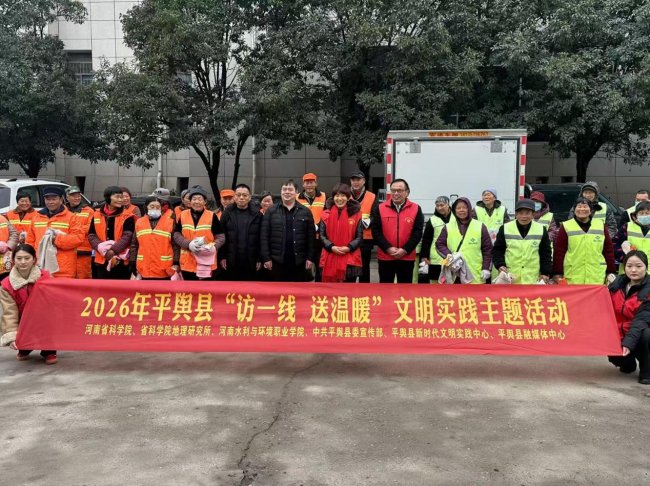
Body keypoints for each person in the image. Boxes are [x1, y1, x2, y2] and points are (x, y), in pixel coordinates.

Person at [0, 243, 56, 364]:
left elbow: (54, 302)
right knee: (21, 341)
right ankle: (25, 347)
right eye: (19, 258)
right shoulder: (6, 285)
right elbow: (9, 312)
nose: (23, 262)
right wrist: (12, 336)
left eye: (27, 258)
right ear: (13, 260)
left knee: (49, 322)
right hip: (23, 320)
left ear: (34, 259)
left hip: (44, 319)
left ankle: (49, 350)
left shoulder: (46, 277)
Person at [607, 250, 650, 384]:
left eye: (638, 266)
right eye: (629, 266)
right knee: (622, 363)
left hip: (639, 331)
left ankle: (647, 372)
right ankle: (628, 363)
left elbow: (641, 321)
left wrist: (628, 343)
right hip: (620, 332)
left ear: (646, 267)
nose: (633, 270)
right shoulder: (616, 286)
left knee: (647, 335)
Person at [261, 179, 316, 282]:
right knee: (277, 290)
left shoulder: (306, 212)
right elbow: (264, 236)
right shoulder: (271, 211)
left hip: (299, 262)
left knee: (298, 290)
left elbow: (311, 238)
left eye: (290, 189)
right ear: (281, 192)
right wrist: (266, 258)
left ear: (296, 192)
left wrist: (310, 258)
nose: (287, 192)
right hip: (276, 262)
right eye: (284, 189)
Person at [553, 197, 616, 284]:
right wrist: (558, 273)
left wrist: (610, 271)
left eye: (585, 206)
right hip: (573, 276)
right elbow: (559, 251)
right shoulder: (566, 226)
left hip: (596, 275)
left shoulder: (600, 225)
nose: (582, 209)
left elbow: (608, 250)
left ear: (591, 210)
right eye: (579, 206)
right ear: (574, 210)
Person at [371, 178, 424, 283]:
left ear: (407, 192)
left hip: (406, 257)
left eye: (399, 190)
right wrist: (388, 248)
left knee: (405, 288)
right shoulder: (380, 208)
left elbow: (417, 233)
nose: (395, 193)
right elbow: (376, 232)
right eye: (393, 190)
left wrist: (405, 250)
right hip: (386, 257)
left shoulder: (416, 208)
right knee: (385, 288)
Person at [26, 186, 85, 279]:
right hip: (40, 267)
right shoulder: (37, 217)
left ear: (61, 200)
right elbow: (30, 241)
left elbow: (78, 238)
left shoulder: (72, 217)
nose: (50, 202)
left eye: (54, 199)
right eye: (48, 199)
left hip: (63, 269)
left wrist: (56, 239)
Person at [492, 199, 553, 284]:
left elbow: (545, 253)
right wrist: (500, 264)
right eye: (520, 213)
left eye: (527, 213)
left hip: (532, 278)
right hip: (510, 277)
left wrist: (545, 272)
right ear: (516, 214)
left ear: (533, 214)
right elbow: (498, 250)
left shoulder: (541, 229)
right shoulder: (505, 228)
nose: (524, 216)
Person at [173, 185, 225, 280]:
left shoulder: (212, 216)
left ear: (205, 202)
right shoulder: (183, 215)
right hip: (187, 263)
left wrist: (213, 247)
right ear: (190, 201)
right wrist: (188, 244)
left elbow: (221, 237)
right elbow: (176, 234)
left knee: (206, 289)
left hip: (206, 262)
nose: (197, 202)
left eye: (200, 199)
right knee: (189, 288)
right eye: (194, 199)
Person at [436, 197, 492, 284]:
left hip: (474, 273)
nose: (461, 210)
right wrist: (449, 256)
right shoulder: (448, 227)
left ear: (469, 209)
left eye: (464, 208)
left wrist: (486, 268)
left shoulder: (480, 226)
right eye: (458, 208)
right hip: (454, 272)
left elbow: (487, 249)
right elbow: (439, 244)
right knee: (454, 293)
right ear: (454, 210)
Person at [88, 186, 136, 280]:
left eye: (121, 197)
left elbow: (127, 236)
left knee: (120, 287)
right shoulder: (97, 214)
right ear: (107, 198)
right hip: (101, 259)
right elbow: (91, 235)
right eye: (117, 197)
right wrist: (103, 250)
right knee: (102, 287)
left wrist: (113, 251)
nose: (120, 200)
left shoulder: (128, 216)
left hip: (120, 261)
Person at [319, 183, 363, 282]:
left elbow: (359, 237)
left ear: (348, 198)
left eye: (343, 195)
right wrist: (331, 247)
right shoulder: (325, 214)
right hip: (329, 255)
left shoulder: (356, 215)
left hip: (350, 257)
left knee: (348, 288)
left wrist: (348, 248)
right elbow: (322, 236)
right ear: (333, 197)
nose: (339, 198)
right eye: (337, 195)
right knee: (330, 289)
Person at [219, 184, 263, 281]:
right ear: (234, 197)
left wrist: (260, 258)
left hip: (251, 260)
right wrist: (222, 257)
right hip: (231, 259)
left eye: (245, 195)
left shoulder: (257, 214)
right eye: (238, 195)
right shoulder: (227, 213)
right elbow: (221, 236)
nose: (241, 198)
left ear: (249, 197)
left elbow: (262, 238)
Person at [131, 196, 179, 280]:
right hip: (144, 267)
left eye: (158, 207)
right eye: (152, 206)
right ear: (146, 207)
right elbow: (134, 244)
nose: (155, 209)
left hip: (164, 268)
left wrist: (176, 262)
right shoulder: (139, 222)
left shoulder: (170, 222)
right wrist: (132, 261)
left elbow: (175, 245)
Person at [297, 173, 326, 281]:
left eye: (311, 182)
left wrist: (318, 226)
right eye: (307, 183)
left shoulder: (324, 196)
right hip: (303, 238)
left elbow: (327, 215)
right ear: (303, 185)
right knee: (303, 266)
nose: (309, 185)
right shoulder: (296, 198)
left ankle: (319, 288)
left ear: (316, 183)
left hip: (319, 238)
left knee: (320, 266)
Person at [420, 196, 455, 283]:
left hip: (453, 256)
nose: (439, 208)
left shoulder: (456, 218)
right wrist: (424, 256)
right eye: (437, 206)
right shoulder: (432, 220)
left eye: (442, 205)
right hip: (436, 258)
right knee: (435, 281)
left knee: (452, 281)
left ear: (448, 205)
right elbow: (426, 240)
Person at [350, 171, 376, 283]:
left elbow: (375, 214)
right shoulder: (345, 195)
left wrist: (368, 221)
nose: (355, 182)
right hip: (349, 238)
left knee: (364, 268)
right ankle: (349, 292)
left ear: (364, 181)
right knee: (350, 268)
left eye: (358, 180)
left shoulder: (372, 196)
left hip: (365, 238)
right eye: (353, 180)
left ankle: (364, 292)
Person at [65, 186, 93, 279]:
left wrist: (73, 230)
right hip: (66, 249)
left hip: (83, 249)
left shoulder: (88, 210)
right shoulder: (63, 210)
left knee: (83, 276)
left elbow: (90, 228)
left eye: (78, 195)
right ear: (67, 197)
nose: (77, 198)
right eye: (73, 196)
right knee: (68, 275)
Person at [0, 212, 18, 282]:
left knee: (5, 281)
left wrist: (8, 247)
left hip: (4, 259)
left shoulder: (2, 218)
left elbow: (13, 234)